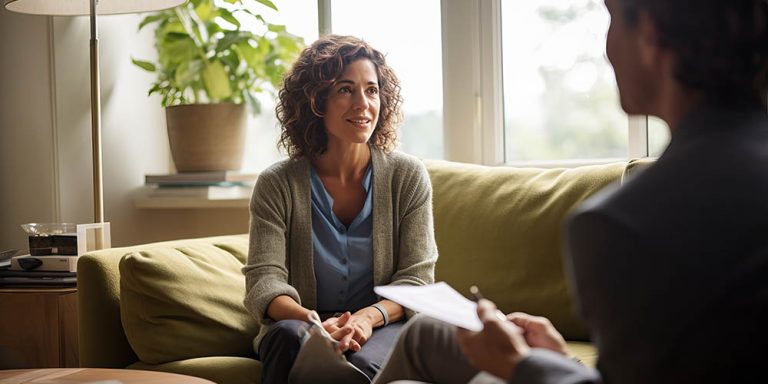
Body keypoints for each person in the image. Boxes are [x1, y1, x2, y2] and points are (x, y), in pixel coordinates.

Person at [372, 0, 768, 383]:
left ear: (650, 34)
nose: (608, 47)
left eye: (610, 18)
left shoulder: (623, 225)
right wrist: (561, 360)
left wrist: (519, 364)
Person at [242, 34, 438, 384]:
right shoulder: (276, 183)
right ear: (316, 101)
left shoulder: (407, 176)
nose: (363, 104)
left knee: (359, 365)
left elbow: (417, 280)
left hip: (383, 325)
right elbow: (264, 282)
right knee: (287, 340)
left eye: (372, 90)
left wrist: (366, 319)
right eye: (346, 90)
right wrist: (314, 323)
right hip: (300, 323)